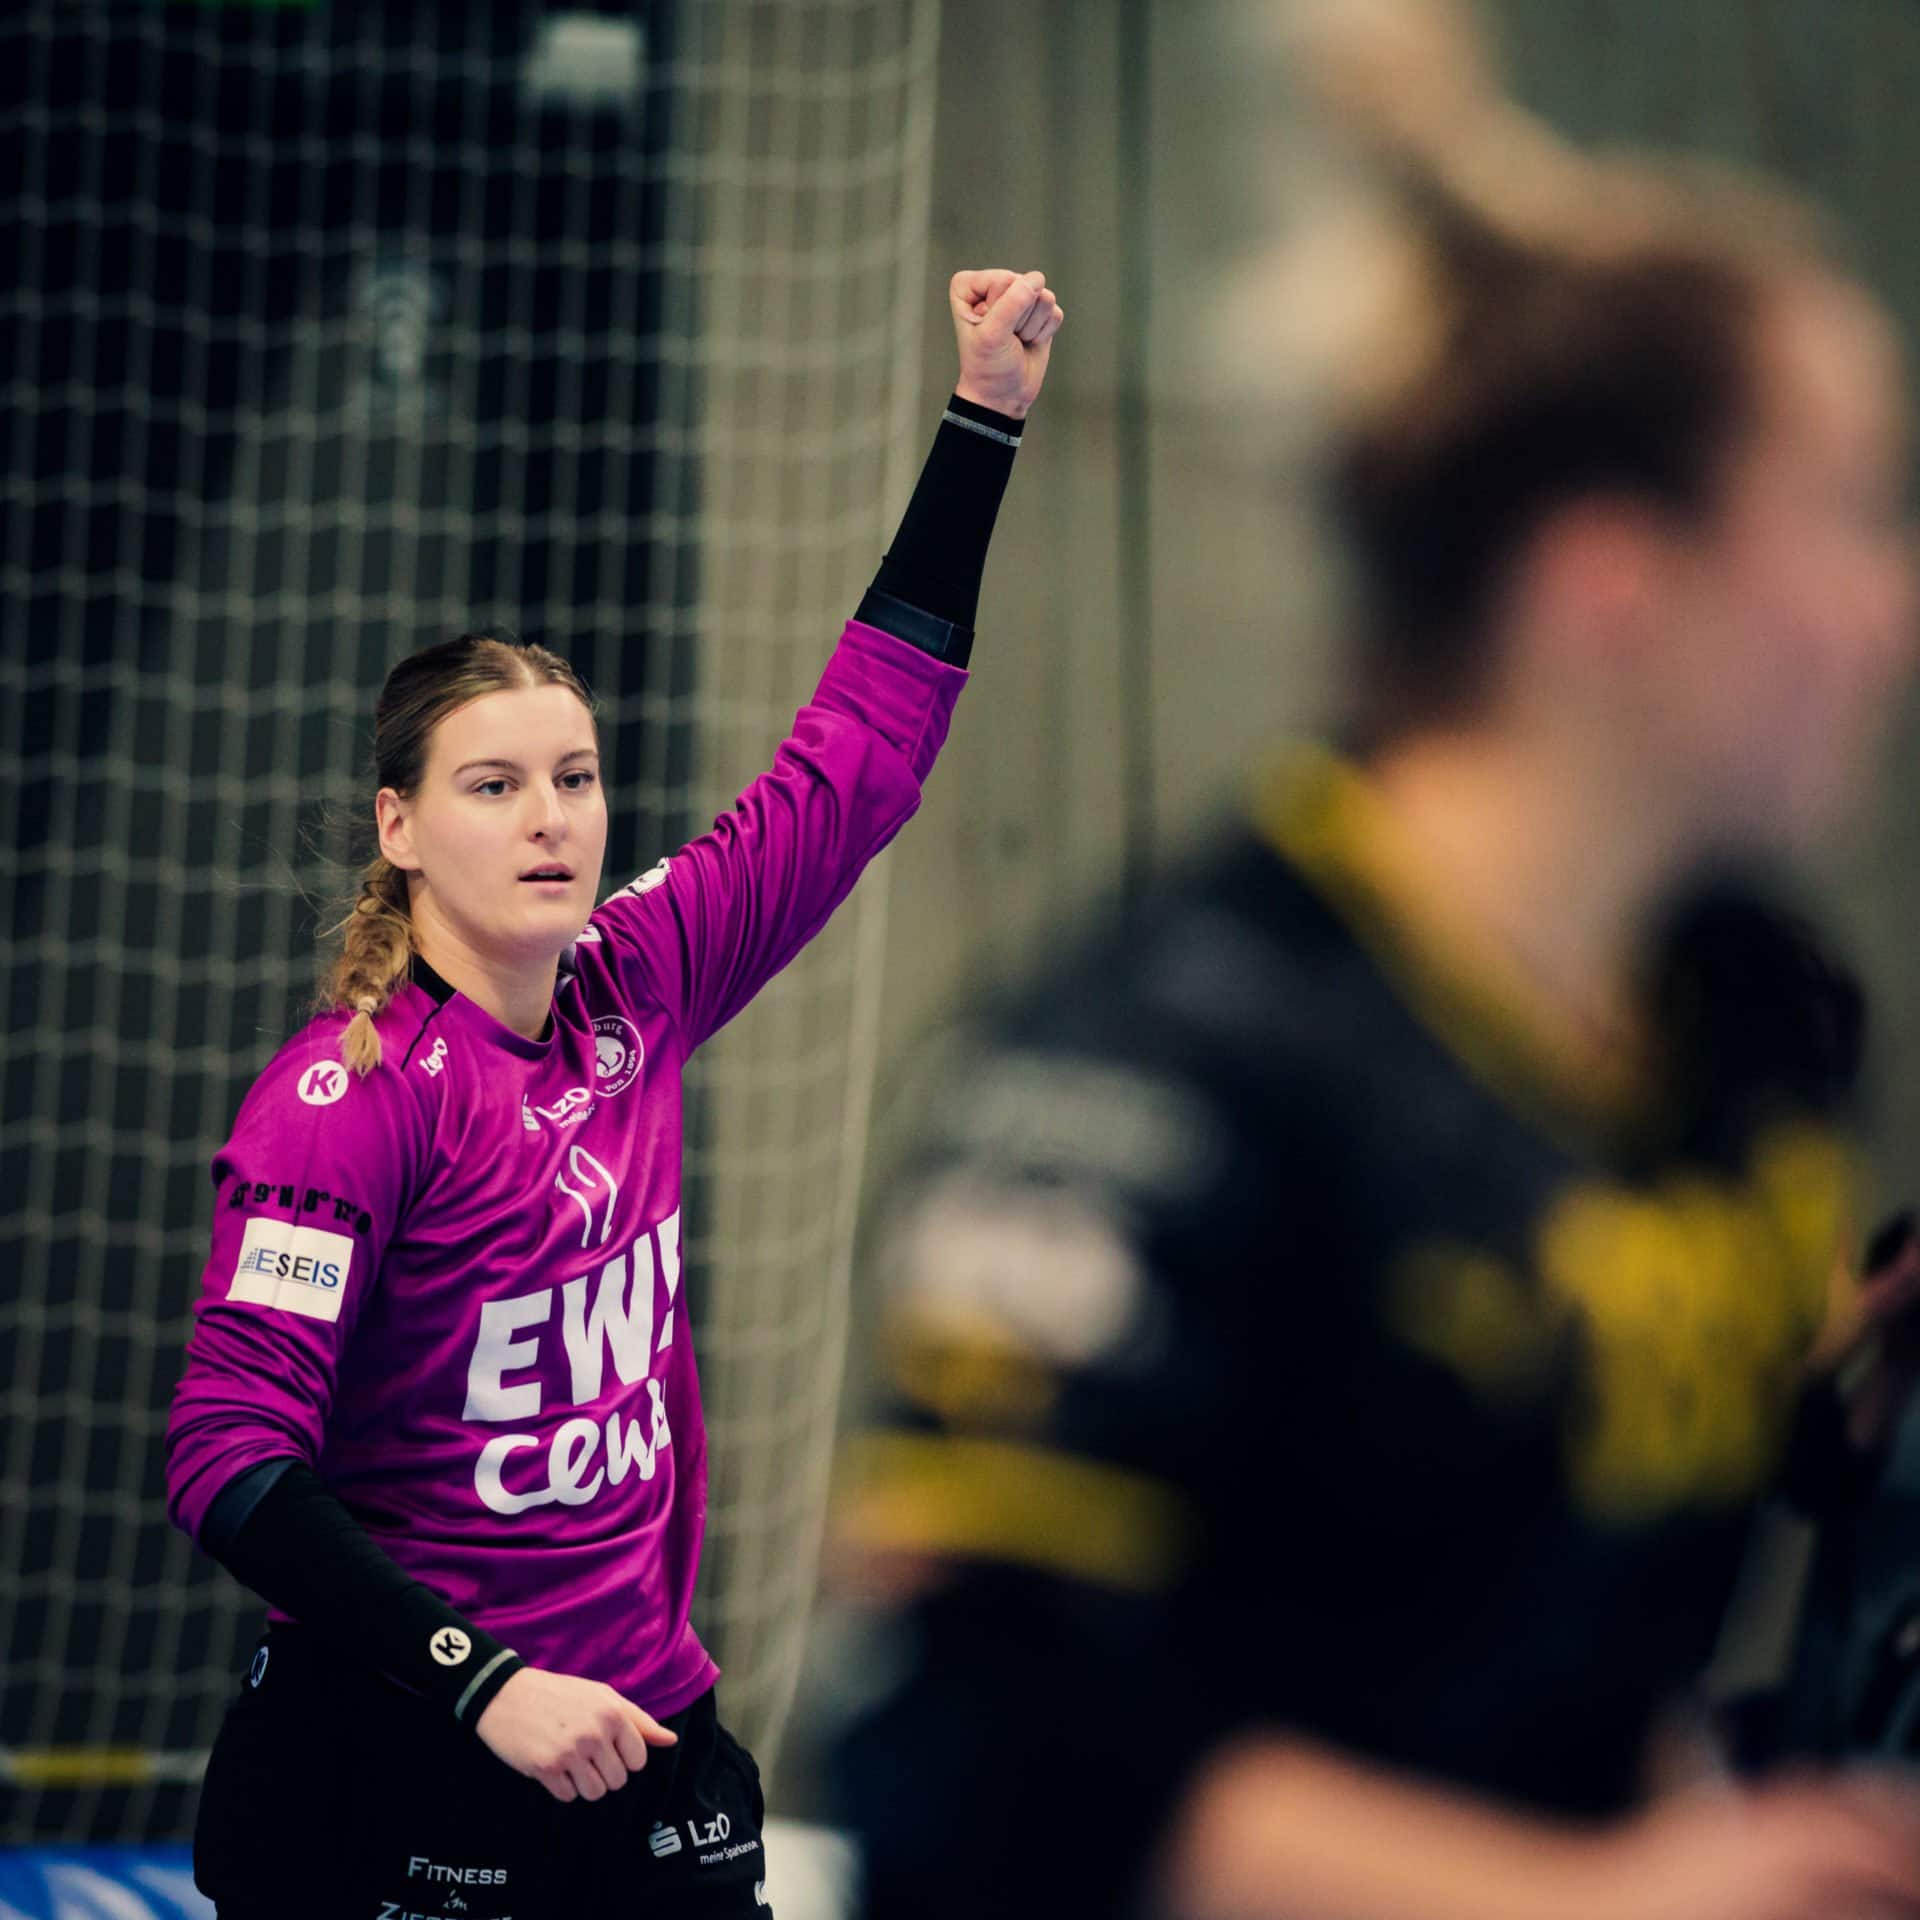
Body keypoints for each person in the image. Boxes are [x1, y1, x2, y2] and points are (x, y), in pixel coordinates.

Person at [825, 9, 1920, 1917]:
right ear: (1611, 588)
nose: (1887, 611)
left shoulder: (1758, 1027)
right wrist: (1588, 1906)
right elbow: (972, 1758)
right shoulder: (1160, 1070)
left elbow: (1559, 1651)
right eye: (1841, 516)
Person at [163, 263, 1063, 1920]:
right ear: (398, 827)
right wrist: (483, 1680)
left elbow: (856, 761)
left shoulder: (640, 978)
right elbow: (228, 1461)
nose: (549, 818)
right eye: (493, 785)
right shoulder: (348, 1101)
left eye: (573, 778)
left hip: (641, 1732)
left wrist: (983, 419)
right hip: (412, 1738)